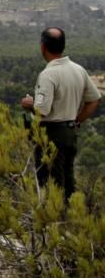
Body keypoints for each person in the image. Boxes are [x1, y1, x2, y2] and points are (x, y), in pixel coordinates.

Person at [20, 27, 101, 199]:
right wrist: (77, 121)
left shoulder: (48, 74)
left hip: (50, 135)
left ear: (43, 47)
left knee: (50, 186)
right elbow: (94, 99)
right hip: (70, 133)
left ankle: (52, 223)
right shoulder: (78, 69)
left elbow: (42, 110)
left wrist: (29, 104)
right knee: (67, 183)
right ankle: (69, 220)